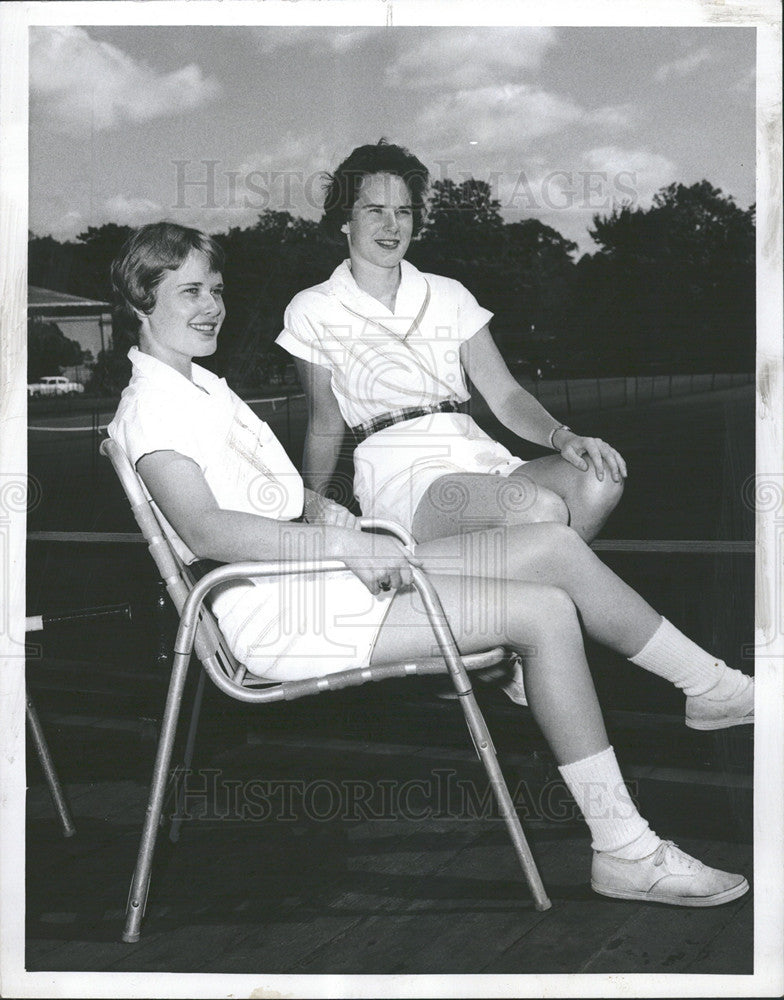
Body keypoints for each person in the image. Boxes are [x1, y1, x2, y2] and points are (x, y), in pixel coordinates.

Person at [108, 222, 751, 908]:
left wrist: (338, 520)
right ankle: (626, 851)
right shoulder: (153, 406)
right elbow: (208, 529)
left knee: (556, 549)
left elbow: (282, 501)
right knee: (544, 612)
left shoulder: (204, 388)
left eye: (216, 289)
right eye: (188, 292)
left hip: (325, 580)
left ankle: (708, 687)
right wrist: (349, 546)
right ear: (140, 302)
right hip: (283, 615)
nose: (211, 305)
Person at [277, 139, 626, 544]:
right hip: (400, 472)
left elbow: (506, 396)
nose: (392, 226)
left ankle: (524, 595)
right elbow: (325, 421)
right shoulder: (313, 307)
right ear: (344, 220)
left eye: (403, 212)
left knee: (601, 479)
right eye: (375, 211)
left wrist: (564, 437)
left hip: (477, 453)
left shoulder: (450, 294)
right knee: (538, 509)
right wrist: (313, 508)